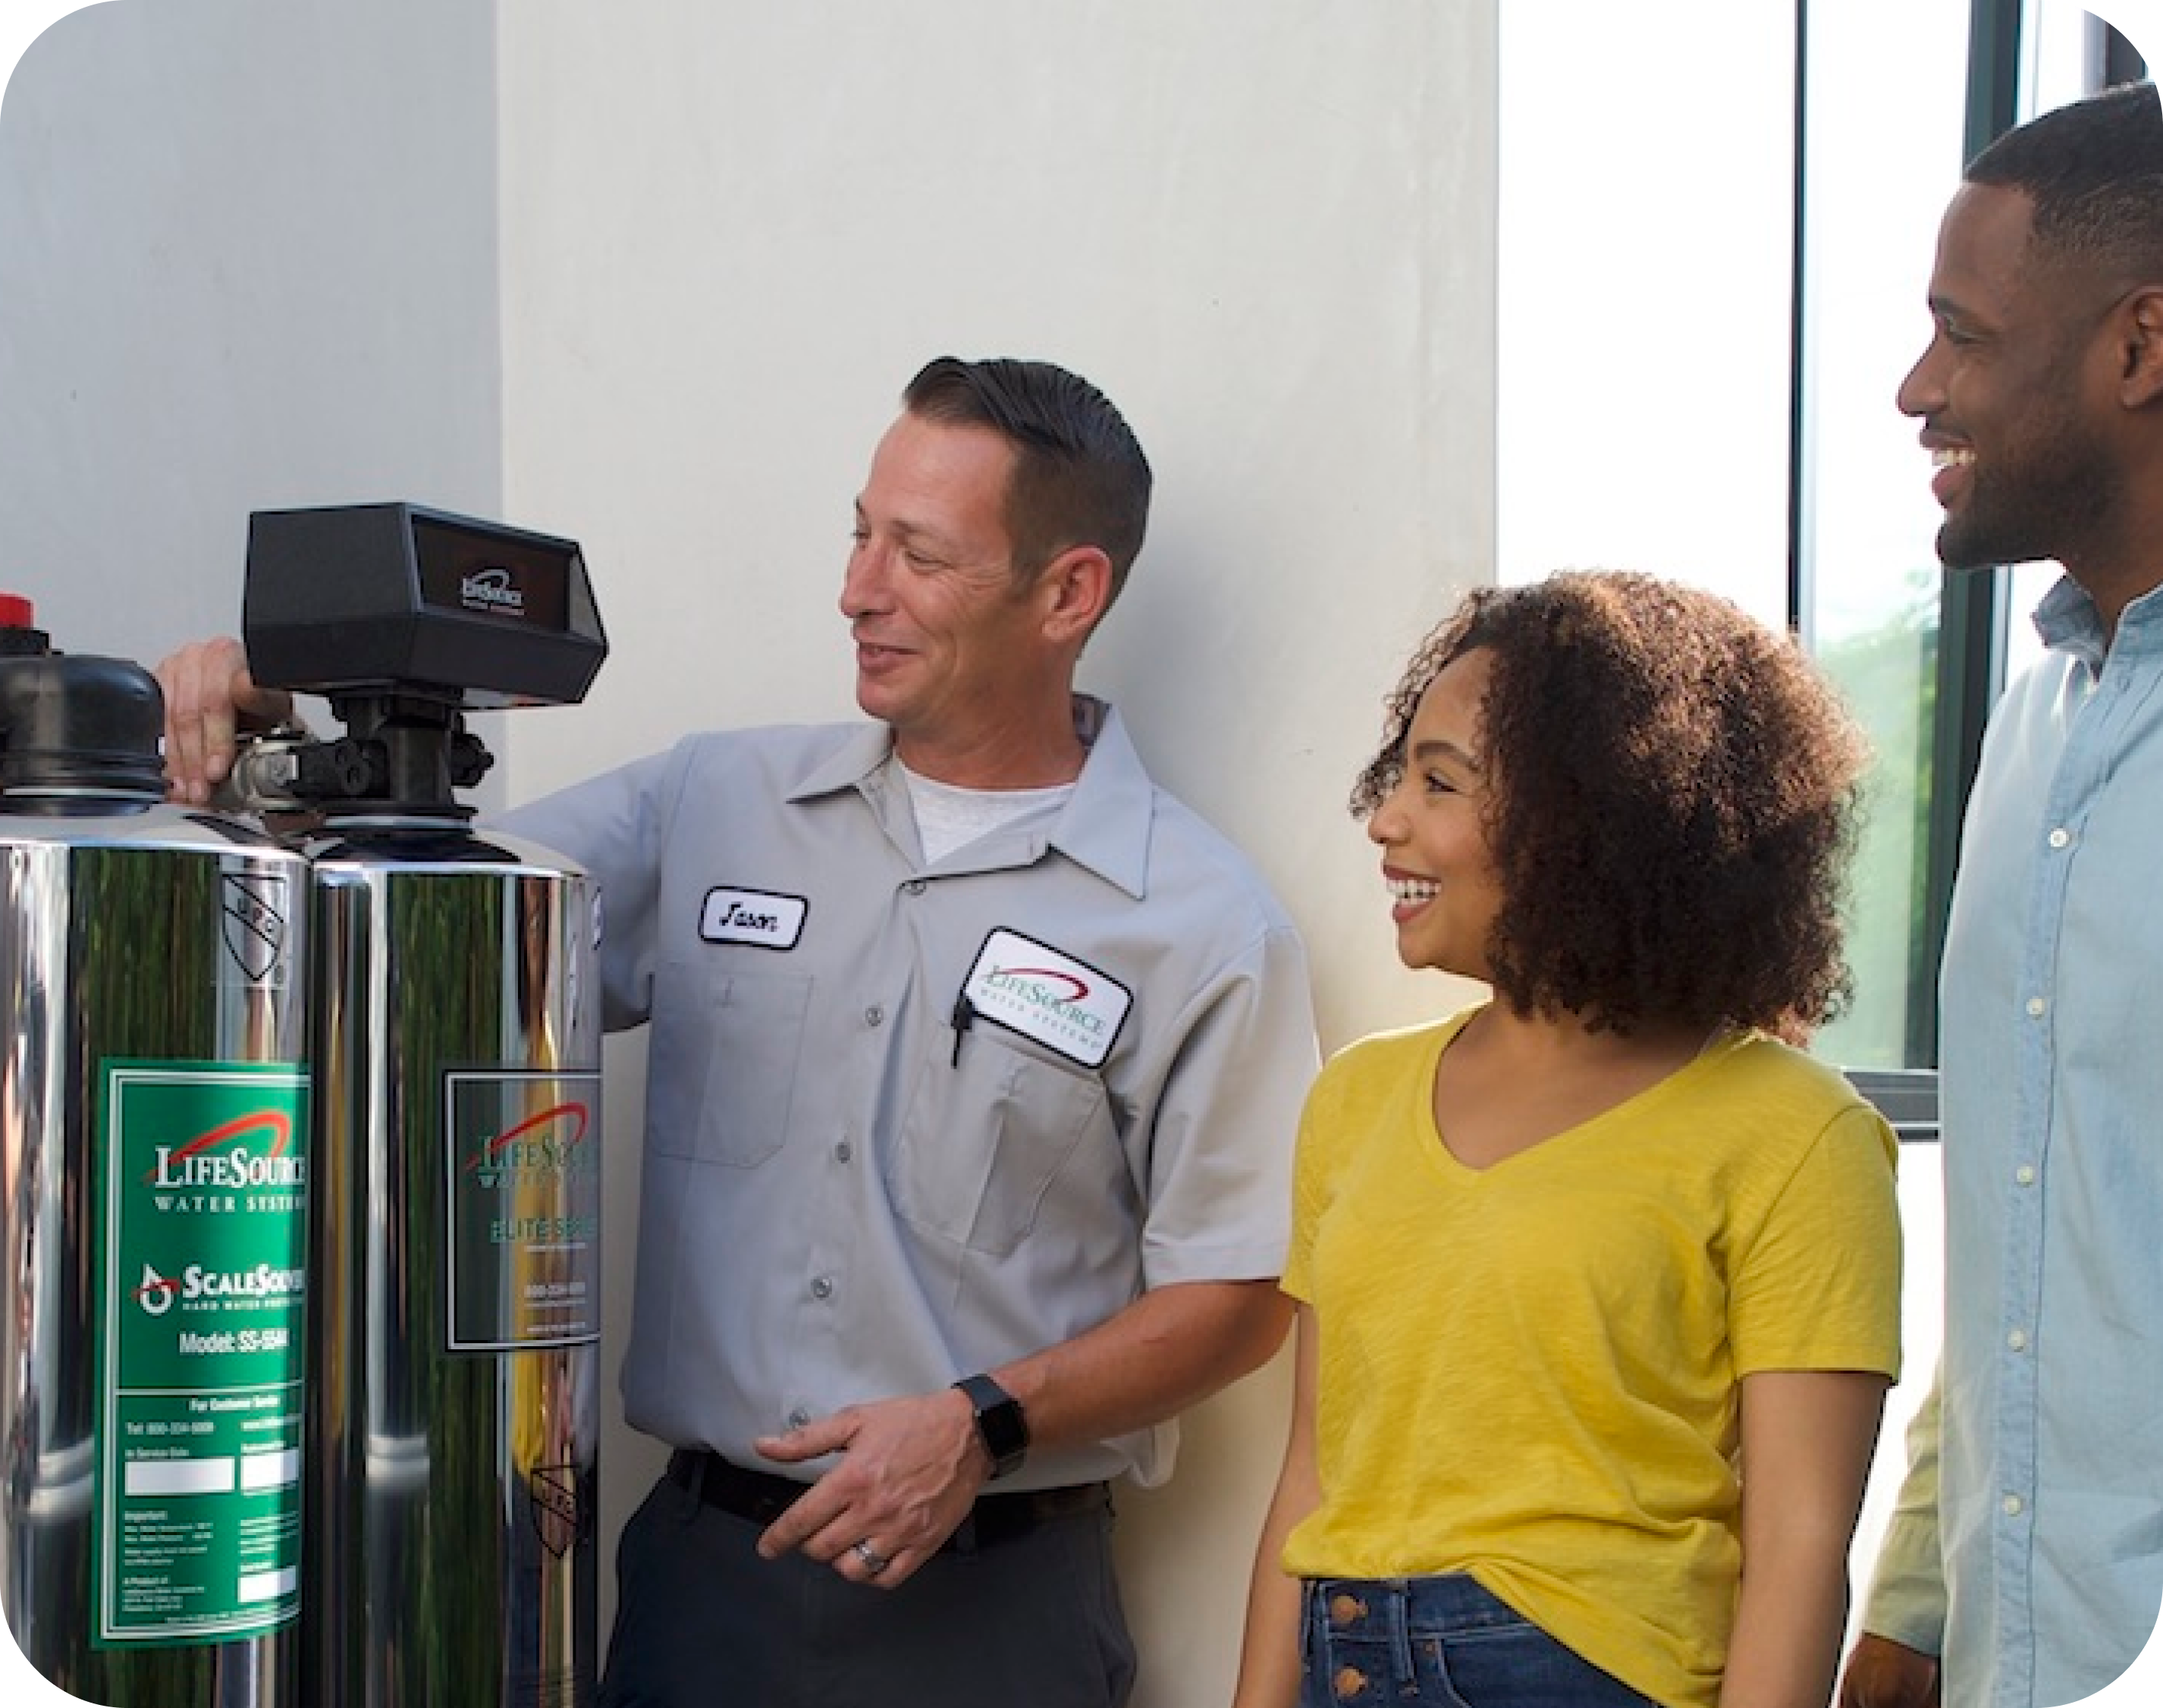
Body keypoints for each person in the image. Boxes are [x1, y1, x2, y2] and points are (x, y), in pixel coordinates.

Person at [159, 356, 1320, 1708]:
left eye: (921, 555)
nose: (857, 589)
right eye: (860, 532)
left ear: (1068, 594)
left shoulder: (1199, 920)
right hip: (707, 1588)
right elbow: (417, 945)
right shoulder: (712, 803)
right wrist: (281, 753)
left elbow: (1236, 1299)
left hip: (995, 1613)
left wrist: (980, 1422)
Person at [1230, 572, 1902, 1708]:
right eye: (1399, 776)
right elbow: (1311, 1477)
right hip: (1341, 1657)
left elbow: (1798, 1550)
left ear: (1595, 821)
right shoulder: (1356, 1099)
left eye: (1440, 782)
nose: (1386, 819)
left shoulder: (1798, 1133)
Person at [1838, 82, 2163, 1708]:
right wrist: (1908, 1603)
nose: (1916, 388)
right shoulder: (2036, 718)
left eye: (1959, 334)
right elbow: (2030, 1231)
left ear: (2139, 346)